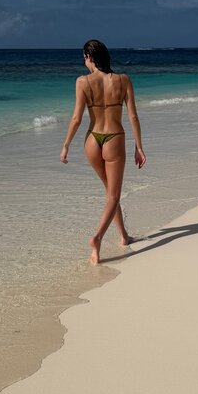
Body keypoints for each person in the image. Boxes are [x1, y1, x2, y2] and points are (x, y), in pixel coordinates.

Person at [60, 39, 146, 265]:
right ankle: (97, 238)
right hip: (114, 138)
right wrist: (139, 146)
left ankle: (123, 236)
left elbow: (77, 118)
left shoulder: (82, 82)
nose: (83, 61)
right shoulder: (123, 80)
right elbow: (133, 116)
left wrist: (66, 144)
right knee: (113, 195)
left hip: (92, 140)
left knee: (110, 192)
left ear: (89, 57)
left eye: (84, 57)